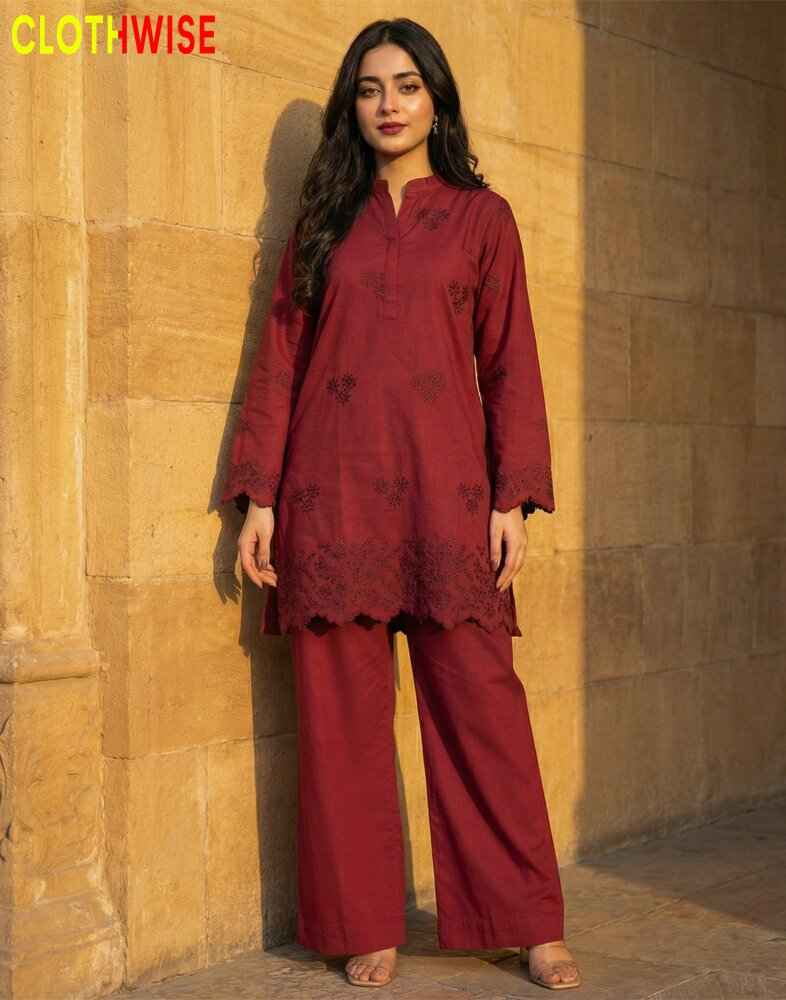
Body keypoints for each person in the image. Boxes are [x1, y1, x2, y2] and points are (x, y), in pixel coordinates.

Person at [221, 16, 582, 993]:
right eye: (372, 88)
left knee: (482, 713)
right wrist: (258, 494)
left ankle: (526, 918)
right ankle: (361, 918)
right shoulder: (323, 224)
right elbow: (281, 361)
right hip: (328, 497)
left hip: (448, 495)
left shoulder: (481, 219)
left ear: (436, 101)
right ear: (354, 106)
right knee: (340, 721)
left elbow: (511, 364)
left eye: (407, 86)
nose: (389, 104)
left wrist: (513, 496)